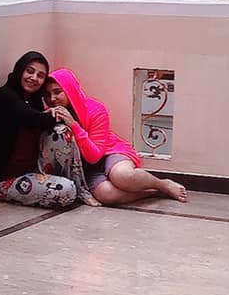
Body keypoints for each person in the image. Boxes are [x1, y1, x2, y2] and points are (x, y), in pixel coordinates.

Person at [45, 68, 187, 206]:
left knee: (123, 176)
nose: (52, 99)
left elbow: (94, 155)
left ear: (70, 90)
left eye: (57, 92)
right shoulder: (48, 115)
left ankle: (162, 184)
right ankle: (153, 192)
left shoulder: (95, 109)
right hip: (85, 168)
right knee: (106, 195)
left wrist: (74, 125)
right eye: (46, 95)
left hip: (109, 152)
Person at [0, 51, 96, 208]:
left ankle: (81, 188)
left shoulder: (32, 100)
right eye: (30, 71)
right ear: (20, 69)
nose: (34, 78)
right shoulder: (4, 97)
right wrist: (56, 113)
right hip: (8, 179)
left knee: (61, 132)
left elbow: (43, 120)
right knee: (66, 190)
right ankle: (73, 188)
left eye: (40, 75)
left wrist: (58, 117)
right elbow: (36, 119)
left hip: (34, 169)